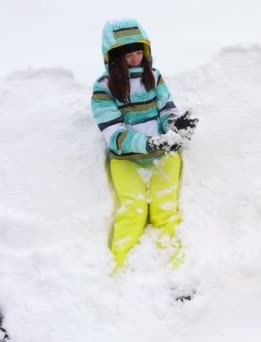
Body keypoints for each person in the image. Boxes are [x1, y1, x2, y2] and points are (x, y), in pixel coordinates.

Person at [90, 19, 198, 274]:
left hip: (163, 155)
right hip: (125, 160)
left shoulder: (155, 76)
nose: (137, 59)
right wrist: (148, 143)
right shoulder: (103, 89)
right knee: (134, 210)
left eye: (140, 52)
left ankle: (176, 269)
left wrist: (176, 126)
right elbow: (114, 133)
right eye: (129, 54)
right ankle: (118, 269)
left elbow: (166, 110)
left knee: (165, 209)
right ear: (114, 56)